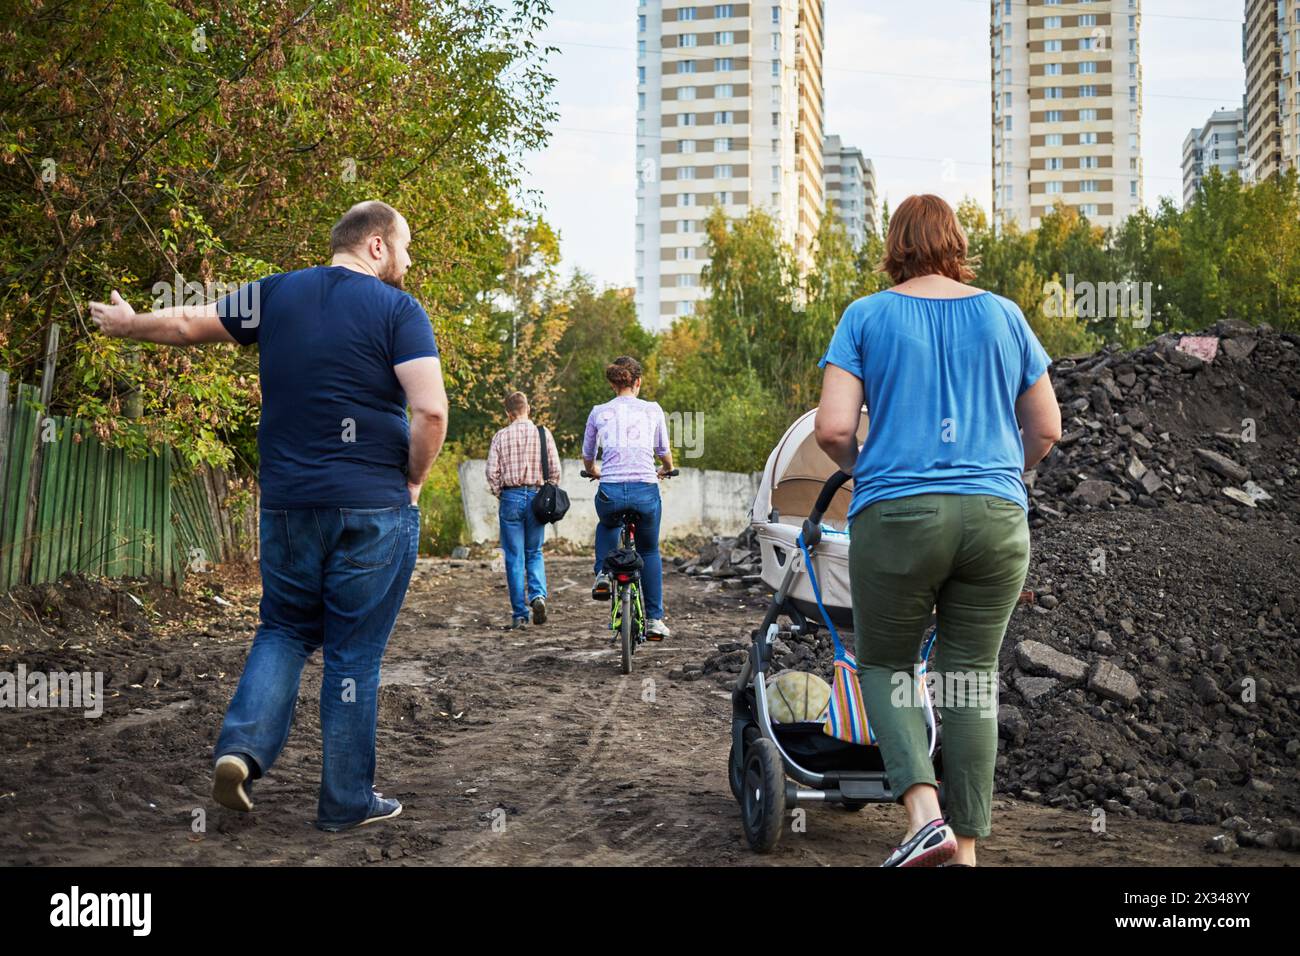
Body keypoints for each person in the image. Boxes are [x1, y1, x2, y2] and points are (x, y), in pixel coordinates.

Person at [89, 200, 449, 832]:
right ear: (374, 246)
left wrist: (127, 323)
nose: (409, 259)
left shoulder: (277, 294)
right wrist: (414, 479)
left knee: (283, 629)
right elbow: (431, 413)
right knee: (352, 655)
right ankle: (345, 803)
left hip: (288, 505)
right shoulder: (399, 311)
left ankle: (240, 750)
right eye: (406, 245)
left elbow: (185, 325)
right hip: (372, 506)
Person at [813, 194, 1061, 867]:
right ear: (956, 241)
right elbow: (1047, 428)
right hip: (996, 518)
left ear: (895, 246)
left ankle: (925, 817)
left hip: (898, 515)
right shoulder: (1005, 316)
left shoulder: (865, 316)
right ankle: (968, 850)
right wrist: (1002, 475)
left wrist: (869, 471)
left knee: (889, 665)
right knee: (972, 677)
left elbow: (833, 428)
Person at [582, 356, 675, 640]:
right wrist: (667, 469)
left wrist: (594, 471)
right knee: (649, 551)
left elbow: (588, 455)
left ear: (613, 384)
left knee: (608, 525)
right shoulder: (652, 410)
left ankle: (601, 575)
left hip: (610, 488)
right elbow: (663, 450)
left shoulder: (599, 412)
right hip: (645, 489)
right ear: (638, 382)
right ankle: (655, 620)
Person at [485, 391, 561, 629]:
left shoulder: (500, 436)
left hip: (511, 497)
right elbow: (555, 469)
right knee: (535, 552)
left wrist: (502, 493)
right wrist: (547, 491)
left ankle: (519, 614)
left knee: (514, 557)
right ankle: (538, 596)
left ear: (508, 413)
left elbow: (491, 472)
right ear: (528, 408)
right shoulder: (543, 433)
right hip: (537, 498)